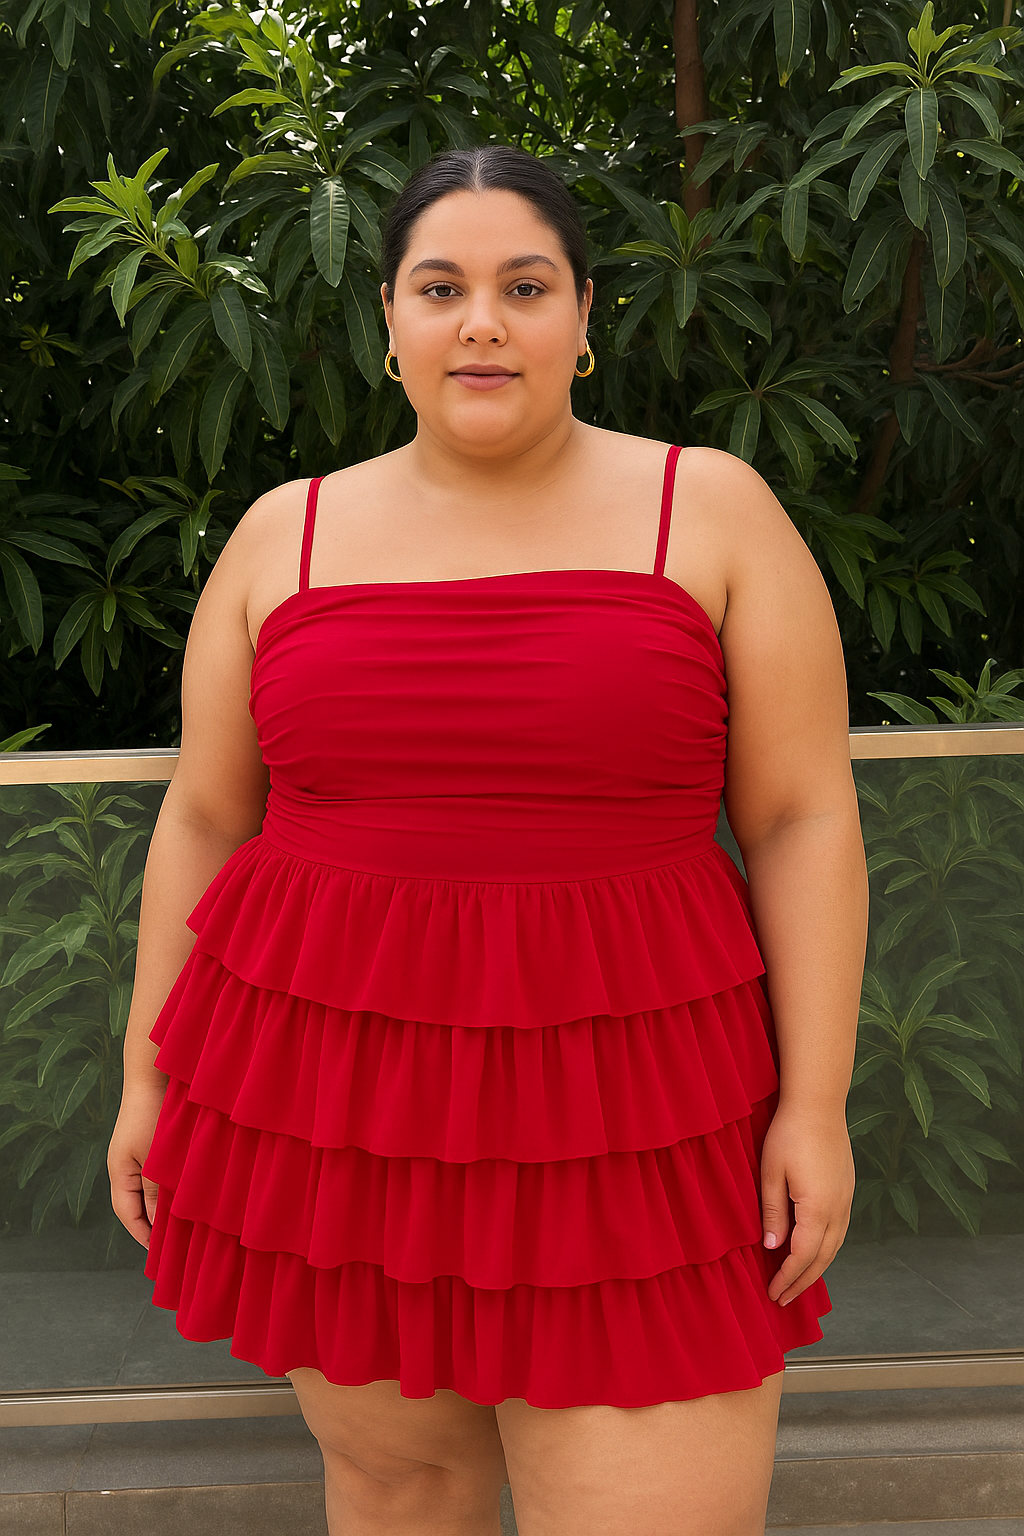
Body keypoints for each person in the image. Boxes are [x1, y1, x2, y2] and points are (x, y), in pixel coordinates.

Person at [107, 145, 868, 1536]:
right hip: (337, 1115)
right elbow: (208, 815)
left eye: (524, 287)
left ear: (584, 317)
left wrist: (814, 1106)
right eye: (440, 287)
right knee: (399, 1495)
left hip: (639, 1123)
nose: (482, 324)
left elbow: (800, 817)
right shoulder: (285, 535)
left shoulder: (709, 509)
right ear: (388, 319)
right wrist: (146, 1075)